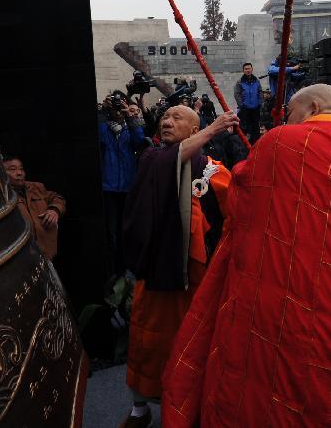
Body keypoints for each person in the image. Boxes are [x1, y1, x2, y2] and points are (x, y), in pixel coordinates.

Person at [162, 85, 331, 427]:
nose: (286, 120)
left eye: (289, 113)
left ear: (313, 107)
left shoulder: (282, 140)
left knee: (270, 380)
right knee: (327, 384)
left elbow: (242, 196)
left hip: (284, 286)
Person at [120, 106, 238, 428]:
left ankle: (189, 408)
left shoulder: (212, 171)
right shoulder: (152, 159)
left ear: (193, 128)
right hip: (158, 274)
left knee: (191, 344)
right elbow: (168, 163)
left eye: (176, 118)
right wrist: (213, 129)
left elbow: (236, 214)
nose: (166, 122)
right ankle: (139, 410)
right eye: (165, 117)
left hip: (196, 280)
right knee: (147, 340)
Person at [99, 93, 146, 275]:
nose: (118, 107)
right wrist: (104, 111)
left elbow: (139, 140)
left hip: (128, 185)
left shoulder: (130, 127)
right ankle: (113, 270)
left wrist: (129, 114)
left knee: (127, 229)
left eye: (122, 102)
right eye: (115, 103)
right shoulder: (105, 127)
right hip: (109, 186)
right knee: (112, 233)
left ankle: (128, 268)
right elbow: (100, 137)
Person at [3, 157, 67, 260]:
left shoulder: (36, 187)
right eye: (12, 169)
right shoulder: (2, 195)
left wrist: (54, 210)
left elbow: (58, 199)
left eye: (21, 169)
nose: (19, 173)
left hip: (47, 254)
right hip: (21, 256)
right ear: (2, 172)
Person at [234, 62, 263, 143]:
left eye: (249, 68)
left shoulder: (256, 80)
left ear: (252, 69)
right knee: (244, 129)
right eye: (246, 69)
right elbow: (236, 94)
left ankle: (256, 145)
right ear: (243, 70)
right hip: (245, 110)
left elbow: (260, 91)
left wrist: (260, 102)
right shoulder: (240, 82)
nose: (248, 70)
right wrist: (241, 105)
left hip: (255, 109)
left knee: (255, 129)